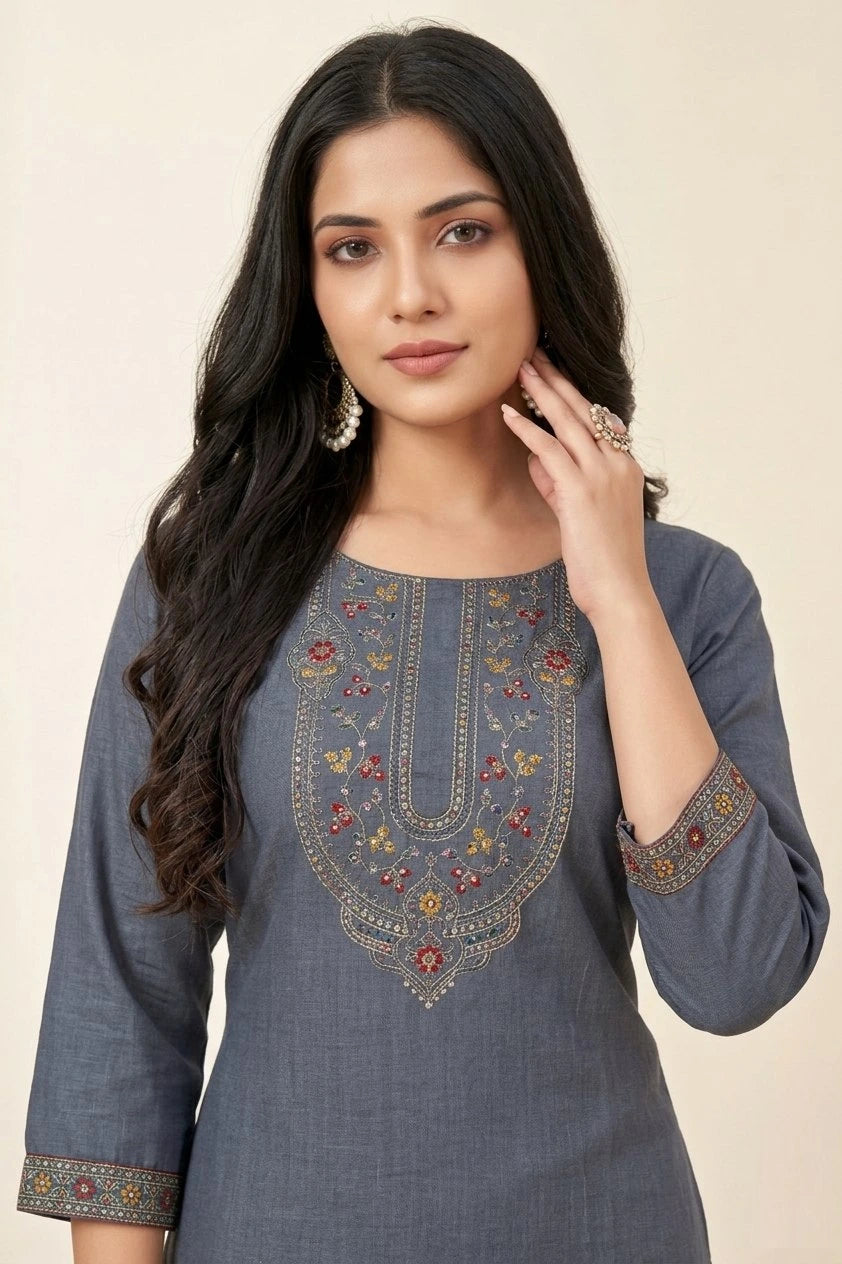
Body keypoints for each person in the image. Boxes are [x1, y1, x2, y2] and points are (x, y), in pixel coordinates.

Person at [16, 21, 830, 1264]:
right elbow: (123, 988)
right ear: (310, 289)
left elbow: (735, 977)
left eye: (463, 230)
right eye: (353, 249)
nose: (409, 293)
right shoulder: (210, 575)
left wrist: (613, 590)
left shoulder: (688, 593)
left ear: (538, 244)